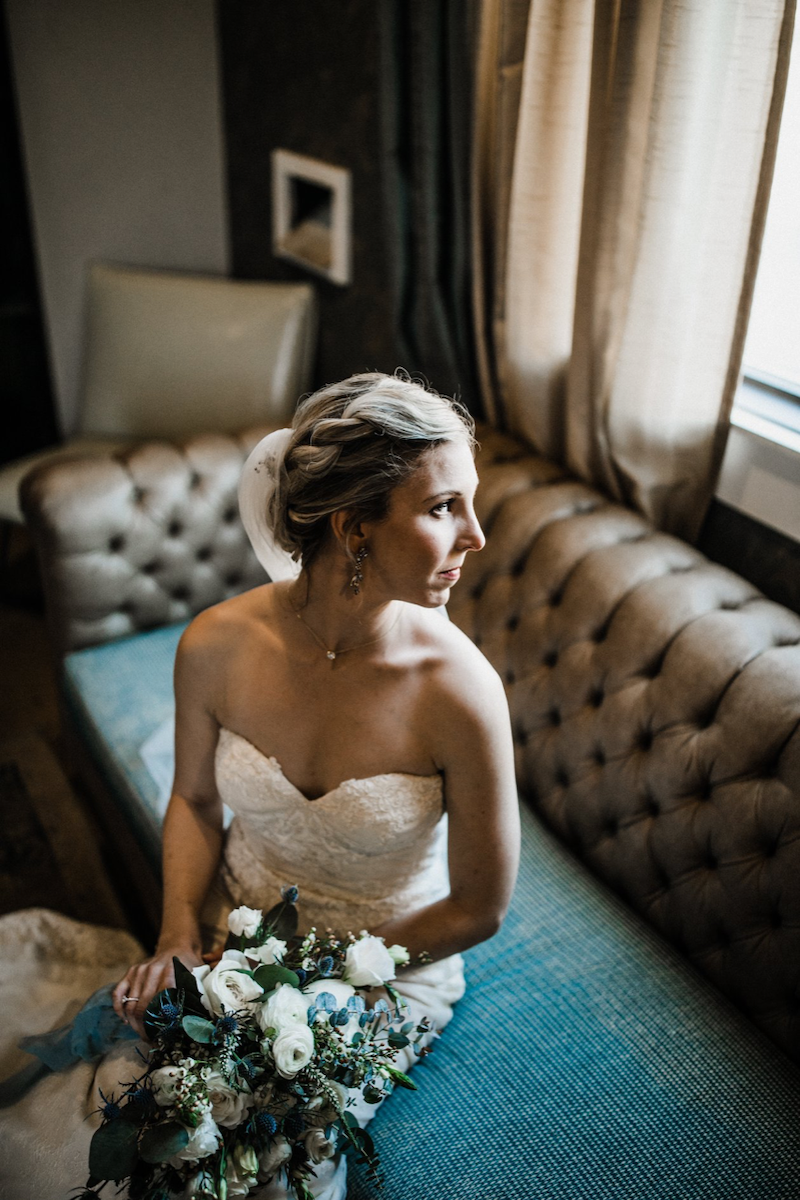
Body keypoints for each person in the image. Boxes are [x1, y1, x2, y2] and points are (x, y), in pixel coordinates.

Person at [0, 371, 520, 1200]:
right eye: (441, 508)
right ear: (352, 528)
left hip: (382, 966)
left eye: (470, 502)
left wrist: (329, 978)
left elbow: (480, 906)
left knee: (248, 1159)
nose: (477, 536)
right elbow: (197, 802)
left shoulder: (462, 694)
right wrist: (175, 936)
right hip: (230, 927)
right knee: (131, 1111)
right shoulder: (215, 645)